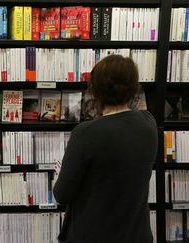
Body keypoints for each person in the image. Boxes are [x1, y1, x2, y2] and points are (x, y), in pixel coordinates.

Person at [53, 55, 158, 243]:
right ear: (134, 86)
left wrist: (62, 172)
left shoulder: (86, 133)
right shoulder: (149, 123)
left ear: (95, 89)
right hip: (137, 235)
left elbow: (62, 194)